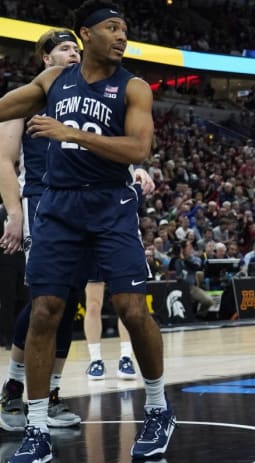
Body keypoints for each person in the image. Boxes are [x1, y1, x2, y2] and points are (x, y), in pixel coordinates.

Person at [0, 2, 175, 461]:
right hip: (57, 205)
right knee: (44, 311)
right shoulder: (55, 81)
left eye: (125, 29)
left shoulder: (133, 87)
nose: (121, 36)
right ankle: (35, 428)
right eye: (112, 28)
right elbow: (6, 107)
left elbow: (138, 148)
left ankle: (158, 407)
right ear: (86, 35)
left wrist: (71, 134)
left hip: (109, 203)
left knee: (132, 309)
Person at [0, 28, 84, 433]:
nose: (74, 54)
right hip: (41, 200)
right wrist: (14, 212)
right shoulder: (28, 96)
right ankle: (13, 391)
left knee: (71, 299)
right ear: (45, 59)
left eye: (77, 49)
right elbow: (3, 158)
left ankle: (50, 393)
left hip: (85, 206)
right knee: (45, 299)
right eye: (65, 48)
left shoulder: (90, 98)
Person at [83, 280, 138, 380]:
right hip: (93, 264)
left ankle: (126, 357)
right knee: (93, 306)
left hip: (120, 263)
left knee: (124, 304)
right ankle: (95, 360)